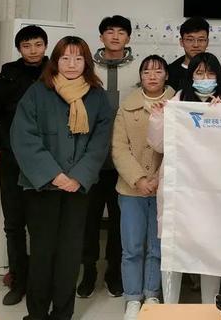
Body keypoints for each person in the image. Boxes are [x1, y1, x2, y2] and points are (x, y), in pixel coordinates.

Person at [10, 36, 112, 320]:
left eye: (78, 58)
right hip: (41, 185)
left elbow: (100, 141)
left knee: (70, 253)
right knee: (42, 251)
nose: (71, 64)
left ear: (86, 63)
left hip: (78, 188)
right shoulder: (37, 92)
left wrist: (77, 177)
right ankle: (37, 314)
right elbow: (23, 137)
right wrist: (54, 175)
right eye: (65, 58)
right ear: (55, 61)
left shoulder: (97, 96)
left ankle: (63, 314)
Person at [0, 25, 48, 306]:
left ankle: (42, 281)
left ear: (45, 46)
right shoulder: (6, 76)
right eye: (27, 45)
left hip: (46, 160)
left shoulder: (55, 73)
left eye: (38, 44)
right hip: (12, 160)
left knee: (42, 225)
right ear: (19, 49)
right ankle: (18, 280)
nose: (33, 50)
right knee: (14, 224)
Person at [79, 15, 139, 298]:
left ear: (128, 37)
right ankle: (88, 272)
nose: (115, 37)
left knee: (120, 221)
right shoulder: (85, 67)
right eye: (110, 32)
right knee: (88, 220)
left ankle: (115, 273)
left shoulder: (140, 68)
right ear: (101, 37)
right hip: (92, 156)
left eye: (121, 32)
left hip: (125, 157)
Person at [111, 55, 174, 320]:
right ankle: (133, 297)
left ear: (166, 75)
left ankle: (152, 293)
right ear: (140, 76)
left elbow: (179, 147)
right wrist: (139, 179)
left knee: (157, 247)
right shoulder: (127, 106)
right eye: (146, 71)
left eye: (158, 71)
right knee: (132, 247)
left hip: (164, 187)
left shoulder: (178, 104)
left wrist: (157, 178)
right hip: (131, 189)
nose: (152, 76)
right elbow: (119, 148)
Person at [161, 52, 221, 304]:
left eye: (210, 73)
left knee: (211, 248)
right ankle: (169, 307)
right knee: (174, 245)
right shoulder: (176, 102)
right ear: (190, 77)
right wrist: (159, 117)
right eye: (199, 73)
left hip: (213, 189)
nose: (205, 78)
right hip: (182, 187)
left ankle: (211, 306)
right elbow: (158, 143)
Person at [167, 16, 210, 91]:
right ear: (181, 42)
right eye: (190, 40)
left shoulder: (215, 70)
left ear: (207, 42)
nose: (196, 45)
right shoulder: (170, 71)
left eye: (201, 40)